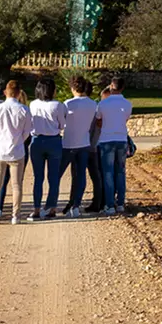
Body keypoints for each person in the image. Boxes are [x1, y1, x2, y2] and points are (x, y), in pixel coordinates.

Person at [0, 79, 34, 225]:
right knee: (16, 185)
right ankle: (16, 216)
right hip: (17, 150)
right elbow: (27, 131)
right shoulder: (24, 110)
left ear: (6, 92)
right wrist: (18, 140)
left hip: (0, 150)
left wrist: (0, 140)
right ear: (19, 93)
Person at [91, 78, 133, 217]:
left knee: (107, 172)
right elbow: (125, 119)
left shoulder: (103, 104)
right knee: (120, 171)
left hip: (106, 140)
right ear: (122, 88)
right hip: (121, 139)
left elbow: (98, 120)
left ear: (111, 86)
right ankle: (120, 203)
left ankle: (109, 205)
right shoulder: (127, 104)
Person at [58, 76, 99, 218]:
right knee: (80, 175)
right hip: (84, 143)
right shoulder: (93, 104)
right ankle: (75, 205)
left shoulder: (68, 104)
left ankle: (51, 204)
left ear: (73, 88)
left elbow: (61, 122)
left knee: (57, 174)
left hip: (68, 143)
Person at [27, 80, 65, 219]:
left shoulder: (33, 104)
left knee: (38, 177)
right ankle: (52, 208)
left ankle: (36, 208)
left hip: (37, 140)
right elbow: (62, 125)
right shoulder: (58, 105)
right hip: (54, 141)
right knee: (53, 177)